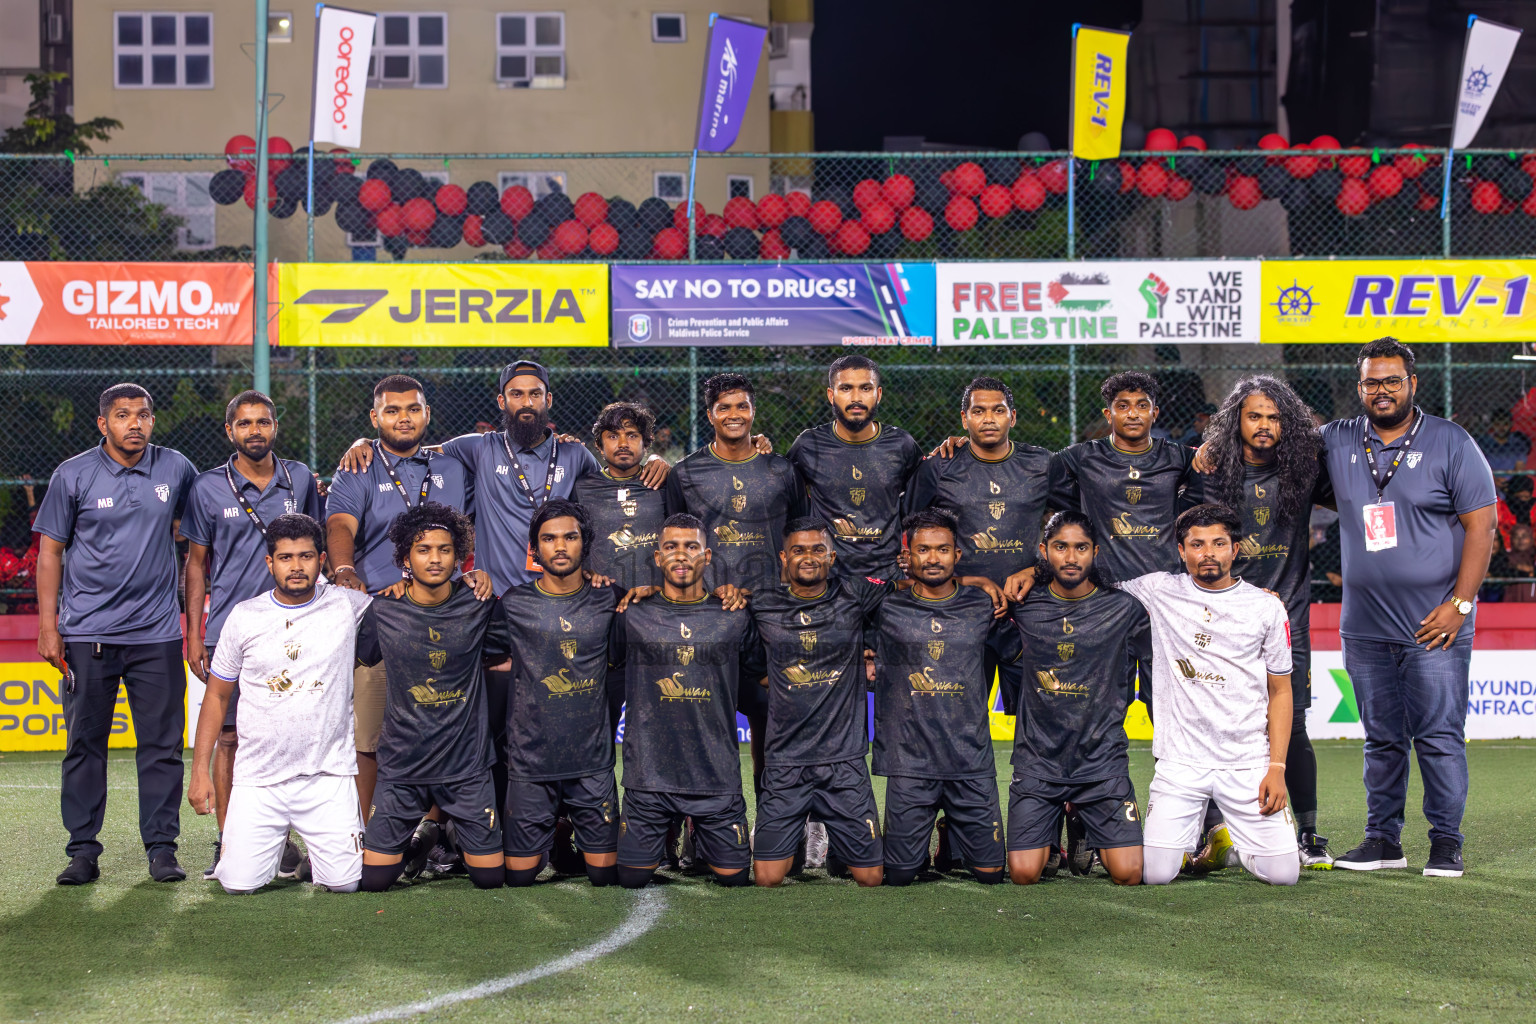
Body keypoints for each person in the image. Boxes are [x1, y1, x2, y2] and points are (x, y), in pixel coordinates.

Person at [1322, 338, 1496, 878]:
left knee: (1440, 738)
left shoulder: (1451, 442)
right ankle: (1383, 841)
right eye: (1372, 382)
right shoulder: (1337, 440)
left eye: (1392, 381)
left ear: (1412, 384)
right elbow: (1270, 444)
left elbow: (1482, 526)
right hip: (1366, 627)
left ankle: (1445, 843)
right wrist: (1209, 449)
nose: (1381, 391)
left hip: (1434, 626)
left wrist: (1460, 605)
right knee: (1381, 739)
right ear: (1360, 387)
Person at [35, 383, 197, 885]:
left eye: (144, 415)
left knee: (163, 746)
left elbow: (199, 541)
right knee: (85, 744)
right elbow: (50, 552)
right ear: (103, 423)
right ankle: (83, 851)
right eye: (123, 415)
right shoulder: (73, 474)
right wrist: (48, 626)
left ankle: (162, 849)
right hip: (88, 634)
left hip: (158, 635)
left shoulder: (176, 468)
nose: (135, 423)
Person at [188, 514, 371, 894]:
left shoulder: (349, 606)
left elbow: (413, 605)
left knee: (347, 883)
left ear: (321, 560)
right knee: (238, 885)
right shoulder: (244, 616)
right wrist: (199, 771)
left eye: (305, 557)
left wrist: (466, 579)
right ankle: (274, 854)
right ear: (270, 562)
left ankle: (316, 861)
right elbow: (218, 696)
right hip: (259, 779)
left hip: (327, 776)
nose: (296, 566)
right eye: (285, 558)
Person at [182, 390, 323, 879]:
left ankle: (289, 841)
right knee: (230, 739)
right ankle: (229, 842)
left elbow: (314, 550)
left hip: (296, 626)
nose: (255, 431)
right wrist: (194, 633)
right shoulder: (206, 488)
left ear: (275, 426)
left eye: (263, 421)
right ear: (230, 431)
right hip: (229, 629)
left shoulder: (300, 478)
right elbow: (196, 564)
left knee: (295, 733)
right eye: (244, 424)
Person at [1196, 375, 1334, 868]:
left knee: (1292, 723)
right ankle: (1212, 831)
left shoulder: (1305, 471)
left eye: (1275, 417)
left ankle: (1311, 834)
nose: (1264, 425)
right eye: (1254, 415)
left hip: (1288, 619)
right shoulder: (1209, 473)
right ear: (1237, 419)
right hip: (1222, 620)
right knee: (1214, 723)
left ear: (1288, 423)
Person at [1120, 505, 1298, 887]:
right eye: (1197, 544)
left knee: (1283, 875)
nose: (1208, 553)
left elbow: (1281, 691)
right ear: (1181, 550)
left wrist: (1277, 768)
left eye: (1219, 543)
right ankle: (1188, 841)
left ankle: (1232, 847)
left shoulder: (1266, 606)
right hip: (1180, 762)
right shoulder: (1159, 590)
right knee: (1154, 875)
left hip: (1247, 761)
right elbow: (1089, 586)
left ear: (1235, 550)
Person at [325, 375, 474, 824]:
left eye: (412, 409)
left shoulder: (451, 466)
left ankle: (432, 833)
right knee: (369, 734)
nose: (403, 418)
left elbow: (468, 532)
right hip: (381, 619)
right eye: (392, 410)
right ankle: (362, 831)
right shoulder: (358, 466)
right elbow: (339, 526)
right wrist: (345, 570)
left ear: (427, 415)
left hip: (445, 618)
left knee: (438, 726)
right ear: (375, 418)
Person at [354, 502, 507, 892]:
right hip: (403, 767)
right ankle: (416, 841)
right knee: (374, 881)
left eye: (444, 549)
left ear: (459, 557)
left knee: (489, 879)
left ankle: (442, 834)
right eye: (423, 550)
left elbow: (505, 661)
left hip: (467, 767)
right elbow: (361, 657)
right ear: (406, 557)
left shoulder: (480, 605)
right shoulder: (383, 610)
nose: (435, 559)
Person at [664, 373, 807, 791]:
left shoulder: (781, 469)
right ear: (709, 414)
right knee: (704, 718)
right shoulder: (686, 473)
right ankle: (698, 823)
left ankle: (778, 816)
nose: (734, 415)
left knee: (772, 714)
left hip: (772, 614)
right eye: (724, 407)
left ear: (753, 411)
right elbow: (674, 543)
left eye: (741, 406)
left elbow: (801, 538)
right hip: (708, 613)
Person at [613, 513, 762, 889]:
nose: (682, 555)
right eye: (671, 547)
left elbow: (758, 674)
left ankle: (697, 831)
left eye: (691, 546)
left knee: (734, 879)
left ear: (707, 556)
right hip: (649, 777)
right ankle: (665, 831)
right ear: (657, 557)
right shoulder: (632, 613)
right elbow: (609, 664)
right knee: (631, 878)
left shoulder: (734, 615)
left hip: (716, 776)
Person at [872, 509, 1015, 887]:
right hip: (910, 760)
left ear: (957, 554)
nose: (933, 558)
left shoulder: (984, 605)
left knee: (991, 875)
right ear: (908, 556)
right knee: (900, 875)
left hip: (969, 758)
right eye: (923, 550)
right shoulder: (884, 606)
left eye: (942, 550)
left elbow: (1019, 655)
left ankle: (951, 832)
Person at [747, 518, 892, 888]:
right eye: (798, 550)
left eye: (817, 550)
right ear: (783, 557)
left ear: (832, 556)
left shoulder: (856, 594)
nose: (808, 557)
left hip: (844, 761)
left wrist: (983, 582)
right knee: (766, 878)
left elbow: (911, 590)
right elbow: (748, 661)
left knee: (871, 877)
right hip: (785, 761)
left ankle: (831, 843)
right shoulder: (762, 603)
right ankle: (793, 835)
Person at [1006, 511, 1147, 886]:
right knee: (1023, 874)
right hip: (1040, 760)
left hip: (1101, 762)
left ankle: (1081, 815)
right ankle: (1051, 825)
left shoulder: (1124, 609)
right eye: (1061, 547)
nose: (1071, 558)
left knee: (1129, 873)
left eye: (1080, 548)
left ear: (1095, 552)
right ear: (1044, 552)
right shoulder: (1023, 606)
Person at [498, 499, 624, 888]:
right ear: (534, 549)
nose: (560, 546)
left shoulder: (612, 597)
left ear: (585, 543)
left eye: (570, 537)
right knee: (519, 877)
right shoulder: (513, 604)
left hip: (591, 763)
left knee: (604, 875)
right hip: (531, 763)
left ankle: (567, 825)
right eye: (549, 539)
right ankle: (552, 835)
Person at [908, 376, 1053, 589]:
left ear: (1012, 417)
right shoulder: (939, 467)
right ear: (964, 419)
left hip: (1028, 594)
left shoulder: (1042, 464)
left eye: (998, 410)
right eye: (978, 411)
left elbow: (1074, 526)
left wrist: (1039, 570)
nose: (988, 419)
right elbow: (906, 528)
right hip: (961, 597)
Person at [786, 355, 923, 580]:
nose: (856, 398)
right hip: (828, 580)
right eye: (846, 388)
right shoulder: (809, 445)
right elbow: (780, 490)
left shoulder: (901, 444)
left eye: (866, 388)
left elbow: (923, 500)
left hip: (889, 578)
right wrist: (753, 446)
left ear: (878, 394)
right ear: (831, 395)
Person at [572, 402, 667, 591]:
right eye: (613, 436)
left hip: (656, 599)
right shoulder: (581, 488)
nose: (623, 444)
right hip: (603, 598)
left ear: (646, 442)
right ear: (599, 445)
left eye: (632, 435)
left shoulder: (663, 482)